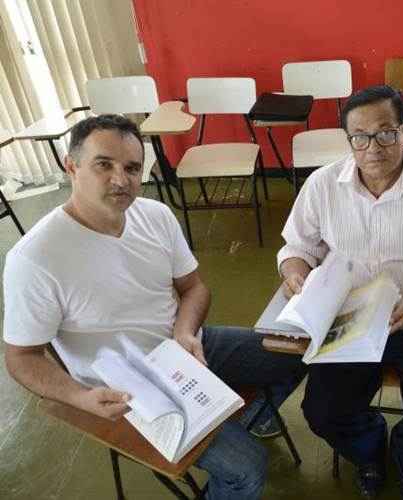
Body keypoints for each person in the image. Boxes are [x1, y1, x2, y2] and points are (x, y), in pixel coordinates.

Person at [3, 115, 305, 500]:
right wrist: (80, 398)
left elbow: (193, 288)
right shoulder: (35, 258)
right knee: (248, 468)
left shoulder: (156, 215)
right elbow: (22, 357)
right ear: (71, 166)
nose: (120, 179)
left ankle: (241, 423)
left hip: (183, 346)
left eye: (131, 167)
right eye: (103, 164)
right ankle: (228, 447)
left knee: (299, 351)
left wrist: (184, 332)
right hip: (127, 390)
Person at [277, 85, 403, 499]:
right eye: (359, 137)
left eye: (386, 132)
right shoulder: (323, 184)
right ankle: (370, 454)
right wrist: (296, 276)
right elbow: (297, 248)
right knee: (321, 411)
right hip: (347, 311)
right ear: (348, 140)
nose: (373, 147)